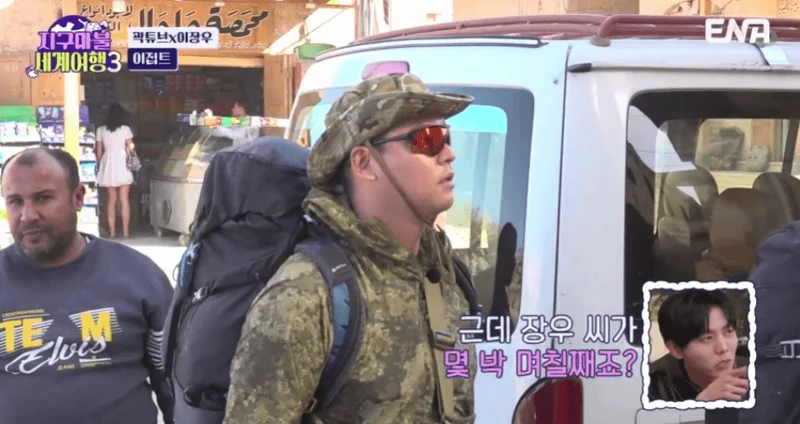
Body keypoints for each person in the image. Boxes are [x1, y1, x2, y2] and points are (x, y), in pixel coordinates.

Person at [222, 73, 477, 423]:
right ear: (364, 162)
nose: (449, 154)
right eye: (428, 139)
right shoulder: (305, 297)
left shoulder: (442, 272)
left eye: (446, 137)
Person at [0, 148, 174, 423]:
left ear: (78, 197)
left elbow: (175, 381)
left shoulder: (138, 275)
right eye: (15, 202)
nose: (28, 215)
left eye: (43, 198)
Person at [649, 289, 749, 402]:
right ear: (676, 349)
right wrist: (701, 402)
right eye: (707, 338)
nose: (723, 348)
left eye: (729, 332)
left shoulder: (753, 368)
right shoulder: (653, 387)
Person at [95, 103, 135, 238]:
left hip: (108, 163)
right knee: (124, 200)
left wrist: (101, 166)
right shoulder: (125, 129)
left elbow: (99, 152)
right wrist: (130, 153)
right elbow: (131, 148)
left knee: (111, 200)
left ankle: (112, 232)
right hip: (122, 161)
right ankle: (126, 232)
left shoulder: (100, 130)